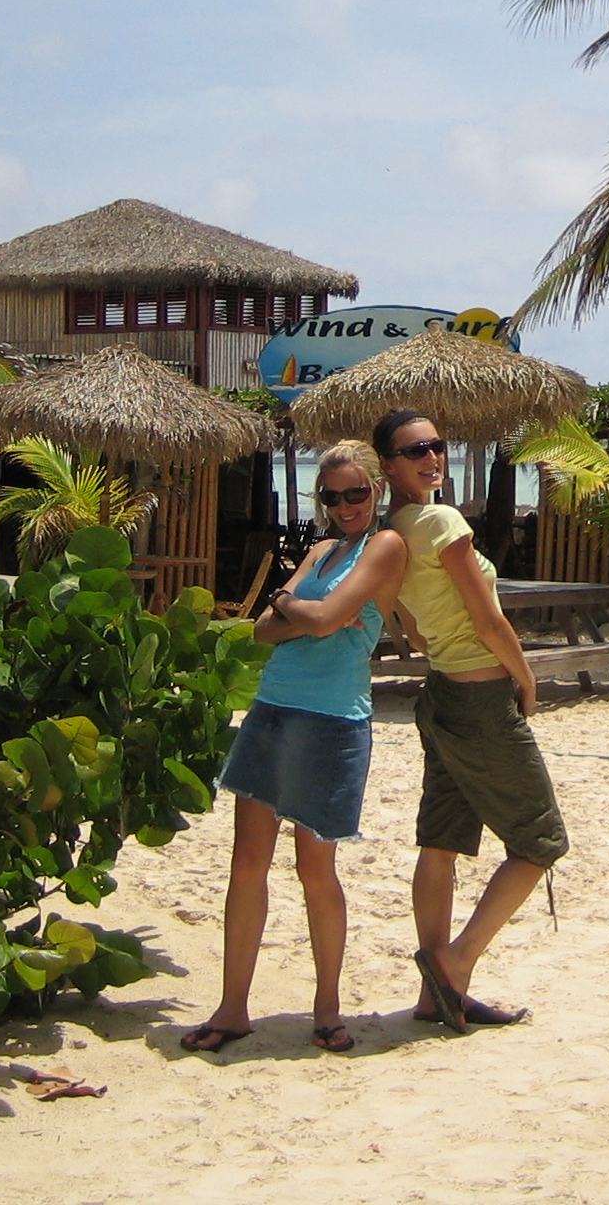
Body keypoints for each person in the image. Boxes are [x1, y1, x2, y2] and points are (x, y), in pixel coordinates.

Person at [187, 441, 405, 1055]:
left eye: (356, 492)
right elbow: (262, 631)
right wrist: (297, 609)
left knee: (316, 869)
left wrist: (294, 607)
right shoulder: (321, 550)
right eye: (332, 496)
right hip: (274, 707)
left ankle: (328, 1007)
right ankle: (232, 1008)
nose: (345, 506)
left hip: (332, 719)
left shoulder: (386, 546)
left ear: (377, 489)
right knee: (247, 863)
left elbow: (325, 620)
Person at [373, 408, 568, 1033]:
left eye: (437, 446)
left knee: (441, 842)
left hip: (440, 695)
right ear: (389, 466)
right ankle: (454, 965)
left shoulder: (391, 532)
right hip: (481, 699)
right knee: (540, 842)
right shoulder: (442, 522)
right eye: (415, 451)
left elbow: (406, 627)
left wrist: (430, 637)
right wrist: (526, 676)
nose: (432, 457)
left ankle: (434, 996)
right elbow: (488, 618)